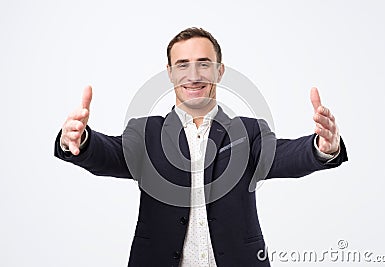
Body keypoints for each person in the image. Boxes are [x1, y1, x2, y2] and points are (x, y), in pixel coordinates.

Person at [54, 27, 348, 267]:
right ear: (169, 73)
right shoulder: (146, 132)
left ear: (219, 71)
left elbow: (284, 157)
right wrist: (80, 140)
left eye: (204, 64)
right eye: (182, 65)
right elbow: (110, 153)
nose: (193, 75)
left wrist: (320, 147)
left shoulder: (248, 131)